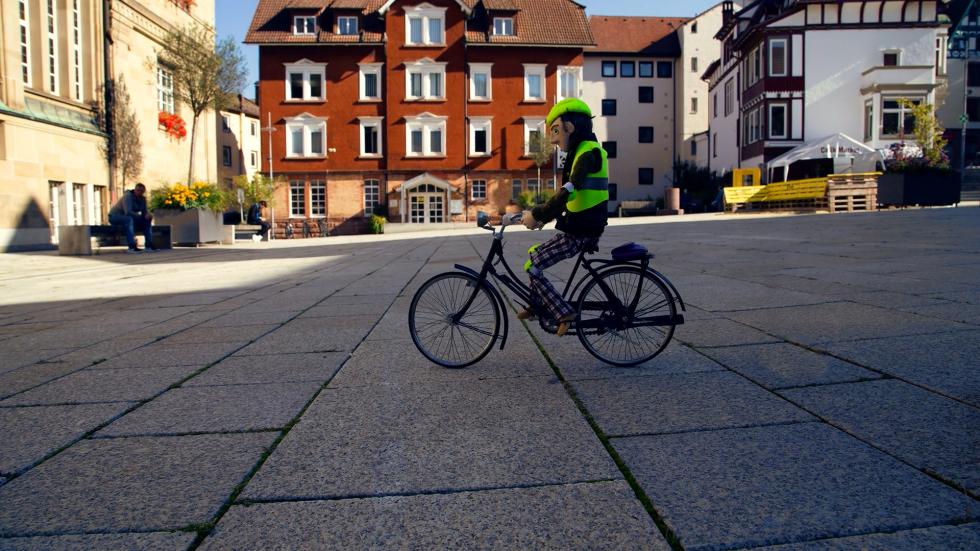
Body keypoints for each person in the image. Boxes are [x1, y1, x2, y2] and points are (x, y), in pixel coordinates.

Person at [518, 98, 609, 337]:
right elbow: (567, 199)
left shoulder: (588, 154)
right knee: (534, 255)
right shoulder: (580, 151)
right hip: (578, 227)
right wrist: (542, 219)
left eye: (556, 131)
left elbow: (568, 191)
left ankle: (563, 312)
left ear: (570, 127)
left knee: (534, 266)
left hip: (582, 232)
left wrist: (537, 214)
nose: (553, 139)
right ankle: (537, 305)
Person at [108, 183, 156, 253]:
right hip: (114, 216)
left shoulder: (143, 199)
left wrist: (148, 215)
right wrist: (141, 217)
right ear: (135, 190)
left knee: (146, 220)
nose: (139, 192)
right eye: (138, 190)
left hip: (129, 218)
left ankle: (149, 245)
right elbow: (128, 212)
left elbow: (144, 212)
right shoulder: (128, 196)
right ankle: (132, 247)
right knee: (129, 219)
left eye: (142, 191)